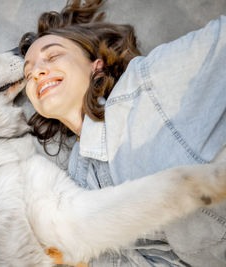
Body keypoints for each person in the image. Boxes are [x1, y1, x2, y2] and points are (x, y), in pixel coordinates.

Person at [19, 0, 226, 266]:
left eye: (53, 55)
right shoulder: (75, 183)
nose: (36, 72)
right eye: (27, 73)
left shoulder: (144, 85)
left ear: (96, 65)